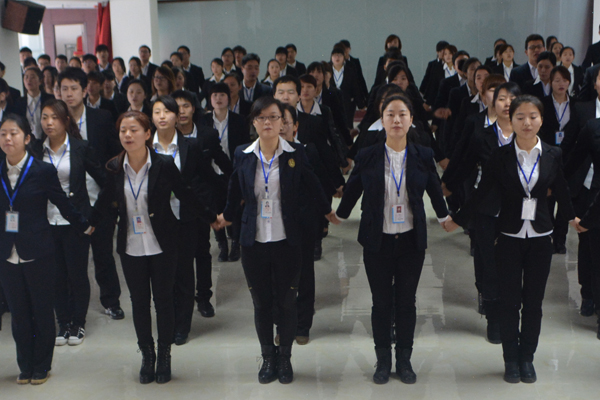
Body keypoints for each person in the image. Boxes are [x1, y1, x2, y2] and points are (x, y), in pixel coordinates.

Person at [446, 95, 579, 384]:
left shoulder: (553, 154)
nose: (526, 122)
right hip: (507, 236)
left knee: (533, 302)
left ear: (541, 120)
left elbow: (561, 189)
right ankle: (510, 359)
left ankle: (526, 357)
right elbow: (483, 192)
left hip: (540, 237)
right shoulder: (500, 156)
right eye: (520, 117)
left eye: (533, 117)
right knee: (509, 302)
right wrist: (459, 218)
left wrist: (573, 218)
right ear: (511, 119)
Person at [91, 110, 218, 384]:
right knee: (139, 303)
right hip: (131, 246)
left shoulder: (163, 164)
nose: (128, 135)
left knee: (163, 301)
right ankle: (147, 356)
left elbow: (185, 193)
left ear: (147, 134)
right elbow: (104, 200)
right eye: (123, 130)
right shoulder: (114, 167)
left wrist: (211, 217)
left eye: (134, 130)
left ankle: (164, 355)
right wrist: (86, 223)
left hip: (162, 243)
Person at [215, 96, 334, 384]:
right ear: (254, 123)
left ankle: (285, 358)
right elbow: (234, 188)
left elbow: (312, 184)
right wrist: (226, 216)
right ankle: (268, 356)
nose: (267, 122)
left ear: (282, 122)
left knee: (287, 302)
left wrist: (328, 211)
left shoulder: (295, 153)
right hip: (253, 240)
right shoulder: (243, 153)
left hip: (287, 239)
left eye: (273, 117)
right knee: (261, 303)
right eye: (261, 117)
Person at [332, 94, 449, 384]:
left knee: (407, 302)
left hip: (411, 240)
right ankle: (383, 360)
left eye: (402, 114)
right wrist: (340, 215)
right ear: (381, 121)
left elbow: (434, 189)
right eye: (390, 115)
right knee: (381, 302)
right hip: (377, 240)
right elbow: (353, 188)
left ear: (411, 120)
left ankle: (405, 360)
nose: (396, 120)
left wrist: (445, 217)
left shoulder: (422, 154)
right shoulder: (368, 154)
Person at [0, 114, 92, 385]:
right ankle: (25, 364)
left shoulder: (42, 170)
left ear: (27, 138)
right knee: (18, 313)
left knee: (41, 309)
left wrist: (85, 225)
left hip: (38, 249)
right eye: (3, 134)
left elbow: (62, 203)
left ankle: (42, 364)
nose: (8, 138)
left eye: (14, 133)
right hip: (6, 251)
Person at [442, 80, 519, 341]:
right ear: (492, 102)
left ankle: (510, 314)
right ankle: (493, 318)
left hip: (519, 213)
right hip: (486, 209)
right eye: (501, 99)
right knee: (489, 264)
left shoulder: (527, 135)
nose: (506, 104)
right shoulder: (483, 135)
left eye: (512, 99)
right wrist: (447, 186)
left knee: (513, 265)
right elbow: (464, 164)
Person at [151, 95, 221, 345]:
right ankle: (166, 322)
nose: (162, 116)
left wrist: (215, 212)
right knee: (161, 274)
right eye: (157, 111)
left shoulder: (189, 146)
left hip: (185, 217)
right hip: (154, 221)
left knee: (183, 272)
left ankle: (182, 325)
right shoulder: (145, 146)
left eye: (167, 111)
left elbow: (207, 178)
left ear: (176, 117)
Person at [35, 99, 105, 347]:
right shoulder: (36, 150)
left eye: (54, 117)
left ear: (65, 121)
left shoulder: (80, 147)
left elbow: (105, 181)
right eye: (45, 117)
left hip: (75, 222)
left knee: (77, 274)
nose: (49, 123)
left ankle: (78, 323)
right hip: (46, 222)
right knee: (55, 276)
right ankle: (62, 323)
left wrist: (93, 217)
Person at [59, 67, 124, 319]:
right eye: (64, 89)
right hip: (68, 200)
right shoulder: (56, 121)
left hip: (100, 197)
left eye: (74, 88)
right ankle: (71, 306)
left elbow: (114, 153)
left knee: (103, 252)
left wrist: (113, 192)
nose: (69, 94)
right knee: (71, 257)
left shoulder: (101, 118)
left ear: (85, 90)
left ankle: (111, 300)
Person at [279, 104, 337, 342]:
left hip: (303, 222)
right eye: (276, 120)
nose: (280, 126)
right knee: (279, 277)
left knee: (303, 274)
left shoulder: (306, 151)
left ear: (295, 126)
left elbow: (317, 183)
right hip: (274, 224)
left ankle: (303, 325)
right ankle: (283, 325)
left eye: (285, 121)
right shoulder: (263, 153)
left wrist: (326, 213)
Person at [172, 89, 232, 318]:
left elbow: (220, 162)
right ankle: (181, 296)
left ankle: (204, 297)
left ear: (194, 108)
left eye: (186, 106)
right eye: (177, 107)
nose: (181, 111)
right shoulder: (165, 136)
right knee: (179, 253)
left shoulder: (206, 134)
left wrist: (234, 188)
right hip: (173, 203)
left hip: (200, 201)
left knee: (202, 250)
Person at [199, 82, 251, 262]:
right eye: (214, 95)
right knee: (215, 207)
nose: (218, 98)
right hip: (211, 172)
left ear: (229, 98)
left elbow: (245, 148)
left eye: (222, 95)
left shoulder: (239, 120)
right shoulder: (203, 121)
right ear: (210, 99)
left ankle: (236, 243)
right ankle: (222, 244)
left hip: (232, 171)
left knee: (234, 207)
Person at [330, 45, 366, 129]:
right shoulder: (327, 70)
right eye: (335, 55)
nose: (337, 57)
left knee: (347, 126)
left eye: (340, 55)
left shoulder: (350, 70)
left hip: (347, 103)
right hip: (331, 103)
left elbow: (355, 88)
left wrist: (361, 104)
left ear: (344, 58)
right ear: (331, 58)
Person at [13, 67, 54, 139]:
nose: (29, 80)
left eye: (33, 77)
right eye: (26, 77)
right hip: (27, 140)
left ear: (40, 81)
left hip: (47, 138)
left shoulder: (49, 99)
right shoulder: (19, 102)